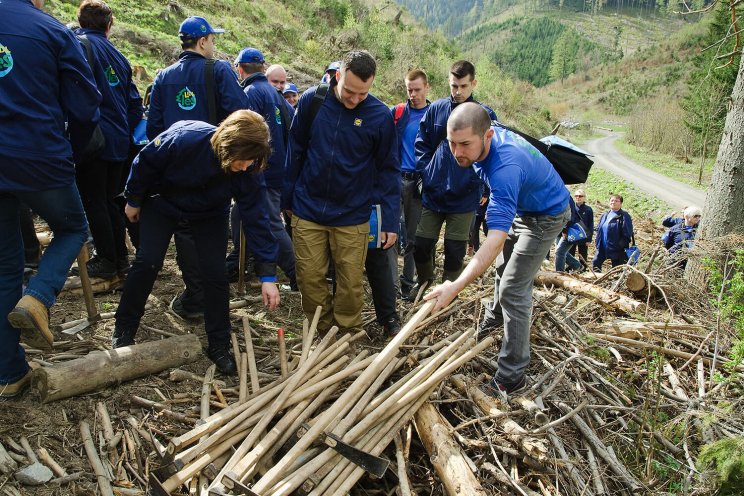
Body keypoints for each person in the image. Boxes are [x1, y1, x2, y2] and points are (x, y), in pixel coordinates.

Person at [113, 110, 280, 375]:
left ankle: (219, 343)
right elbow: (145, 162)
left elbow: (257, 218)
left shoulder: (250, 170)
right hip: (164, 201)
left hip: (209, 212)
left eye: (252, 161)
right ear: (227, 146)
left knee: (214, 273)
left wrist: (268, 275)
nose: (246, 166)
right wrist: (133, 199)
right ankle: (124, 327)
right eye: (242, 160)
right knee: (148, 261)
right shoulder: (185, 140)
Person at [425, 103, 570, 397]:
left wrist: (456, 285)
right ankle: (495, 321)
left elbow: (493, 240)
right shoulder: (484, 141)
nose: (457, 152)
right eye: (452, 143)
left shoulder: (505, 167)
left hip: (547, 215)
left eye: (465, 144)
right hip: (523, 207)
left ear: (488, 135)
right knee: (501, 270)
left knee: (514, 288)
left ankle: (512, 376)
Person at [1, 0, 101, 398]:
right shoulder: (52, 30)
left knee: (5, 266)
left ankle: (9, 374)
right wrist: (69, 154)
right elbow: (85, 106)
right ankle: (39, 298)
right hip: (38, 155)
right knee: (74, 227)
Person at [283, 50, 399, 333]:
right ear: (337, 76)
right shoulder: (313, 101)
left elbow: (388, 170)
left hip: (352, 214)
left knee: (350, 283)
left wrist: (391, 221)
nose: (354, 99)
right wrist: (287, 198)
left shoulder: (379, 115)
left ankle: (347, 335)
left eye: (362, 93)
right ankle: (321, 333)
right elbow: (294, 151)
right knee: (310, 278)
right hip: (308, 209)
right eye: (349, 91)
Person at [146, 15, 249, 318]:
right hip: (214, 165)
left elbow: (153, 129)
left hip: (174, 167)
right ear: (203, 41)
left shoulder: (163, 76)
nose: (213, 45)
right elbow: (241, 116)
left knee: (184, 232)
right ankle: (211, 297)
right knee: (213, 226)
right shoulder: (218, 70)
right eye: (212, 40)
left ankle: (195, 296)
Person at [73, 0, 143, 280]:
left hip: (93, 138)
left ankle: (108, 259)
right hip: (119, 141)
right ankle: (121, 258)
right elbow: (135, 104)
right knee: (113, 200)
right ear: (109, 25)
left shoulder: (78, 47)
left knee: (94, 200)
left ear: (81, 22)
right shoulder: (120, 57)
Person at [414, 60, 497, 293]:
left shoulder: (484, 115)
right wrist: (425, 175)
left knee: (454, 249)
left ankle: (450, 291)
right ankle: (425, 287)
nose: (458, 92)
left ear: (473, 83)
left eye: (462, 86)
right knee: (421, 244)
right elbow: (422, 144)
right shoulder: (436, 110)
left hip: (465, 194)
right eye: (453, 86)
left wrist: (486, 189)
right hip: (434, 191)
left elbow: (493, 154)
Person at [227, 47, 296, 290]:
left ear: (240, 69)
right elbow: (291, 132)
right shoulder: (278, 96)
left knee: (270, 223)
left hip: (259, 171)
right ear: (263, 68)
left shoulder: (250, 93)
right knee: (239, 215)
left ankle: (296, 273)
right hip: (277, 170)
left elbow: (245, 133)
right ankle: (240, 261)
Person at [393, 69, 431, 301]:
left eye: (417, 89)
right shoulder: (398, 113)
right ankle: (391, 282)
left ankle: (408, 283)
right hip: (396, 178)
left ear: (427, 87)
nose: (413, 94)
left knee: (413, 236)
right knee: (392, 233)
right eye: (409, 90)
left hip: (419, 183)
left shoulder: (435, 114)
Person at [592, 194, 634, 271]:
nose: (613, 202)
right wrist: (597, 242)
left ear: (621, 203)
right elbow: (599, 229)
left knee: (616, 270)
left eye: (616, 201)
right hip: (602, 247)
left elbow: (627, 234)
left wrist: (619, 245)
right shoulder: (605, 215)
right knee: (595, 263)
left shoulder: (624, 216)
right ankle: (596, 281)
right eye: (612, 200)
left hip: (616, 250)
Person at [554, 194, 584, 273]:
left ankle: (559, 273)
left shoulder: (565, 196)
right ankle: (577, 266)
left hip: (570, 229)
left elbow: (570, 215)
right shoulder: (560, 195)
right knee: (561, 251)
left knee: (559, 252)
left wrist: (565, 230)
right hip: (560, 229)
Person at [570, 188, 593, 266]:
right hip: (572, 234)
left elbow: (591, 224)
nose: (578, 197)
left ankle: (583, 269)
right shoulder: (571, 207)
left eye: (580, 196)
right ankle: (570, 268)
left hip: (584, 235)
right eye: (576, 196)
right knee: (570, 253)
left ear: (584, 197)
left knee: (583, 254)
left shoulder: (588, 209)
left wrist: (589, 239)